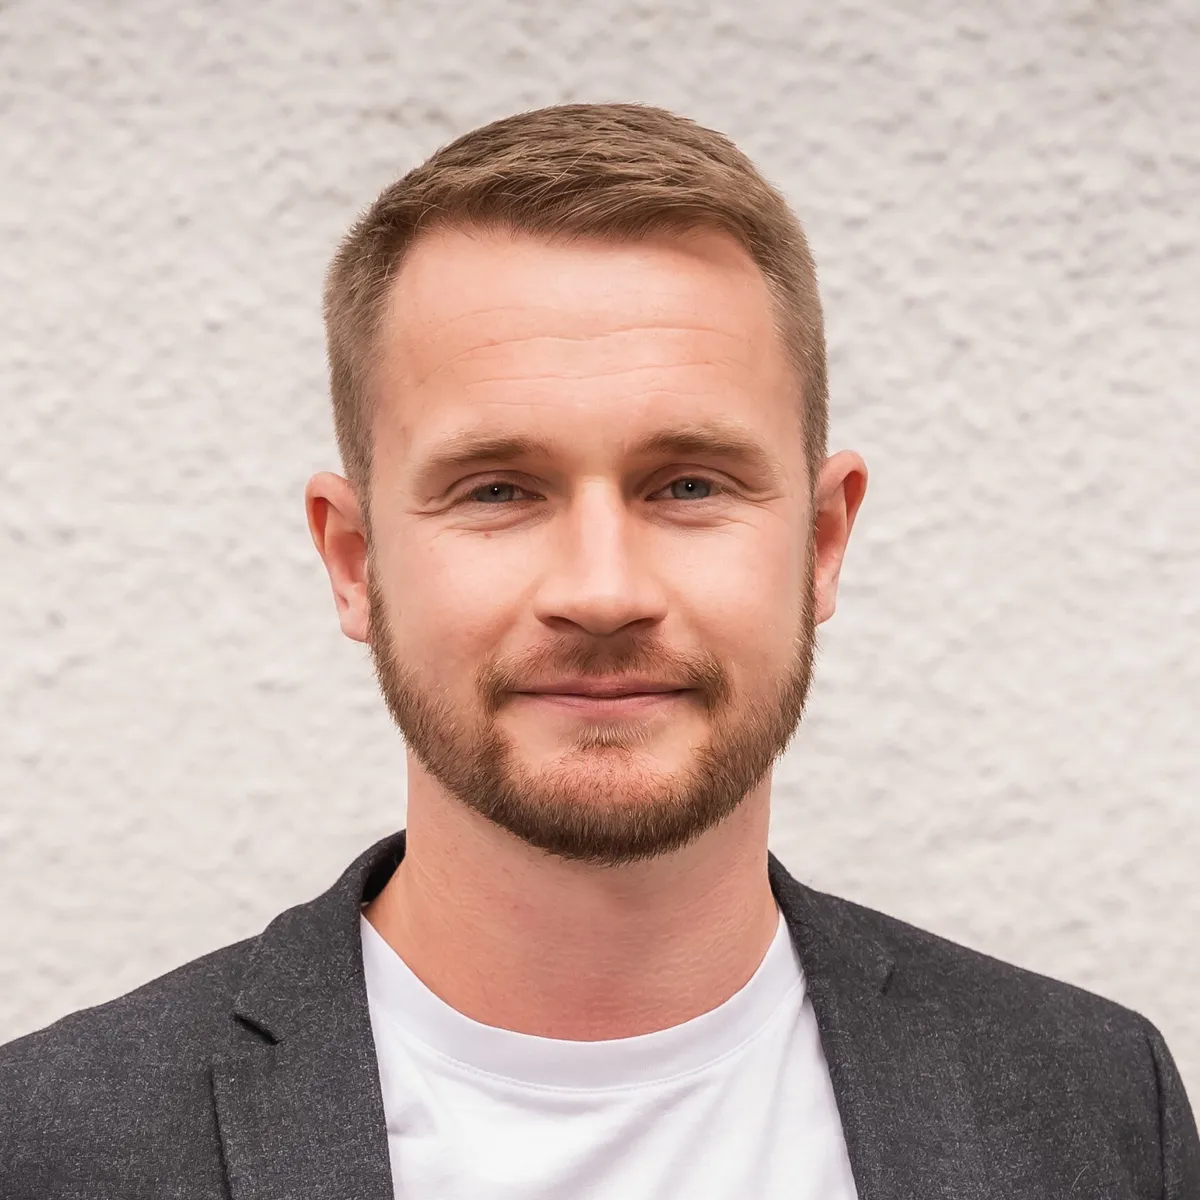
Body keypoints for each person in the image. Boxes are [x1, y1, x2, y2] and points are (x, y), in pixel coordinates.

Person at [1, 102, 1195, 1200]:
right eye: (498, 489)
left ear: (822, 540)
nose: (602, 590)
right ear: (354, 560)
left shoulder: (1095, 1110)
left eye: (687, 483)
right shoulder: (50, 1146)